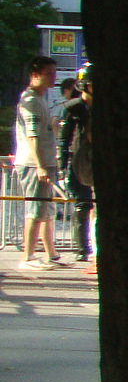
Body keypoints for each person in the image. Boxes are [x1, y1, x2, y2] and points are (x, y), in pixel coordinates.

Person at [12, 56, 63, 268]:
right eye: (49, 73)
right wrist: (40, 164)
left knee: (45, 210)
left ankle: (50, 253)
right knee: (35, 210)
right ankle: (28, 256)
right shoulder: (30, 100)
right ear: (35, 75)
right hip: (34, 164)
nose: (54, 77)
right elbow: (32, 135)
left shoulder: (41, 98)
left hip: (44, 161)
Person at [59, 70, 93, 262]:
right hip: (79, 161)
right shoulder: (74, 108)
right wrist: (62, 164)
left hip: (99, 159)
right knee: (82, 204)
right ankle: (82, 248)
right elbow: (65, 139)